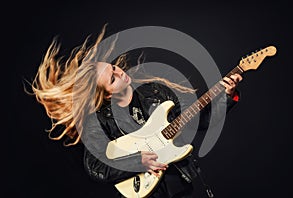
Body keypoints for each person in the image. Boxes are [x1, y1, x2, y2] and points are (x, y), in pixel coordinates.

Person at [27, 24, 243, 198]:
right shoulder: (100, 120)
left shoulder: (156, 91)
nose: (119, 73)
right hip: (148, 191)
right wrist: (138, 162)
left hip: (182, 184)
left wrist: (226, 95)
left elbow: (199, 122)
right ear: (108, 94)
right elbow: (95, 167)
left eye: (113, 68)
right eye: (112, 79)